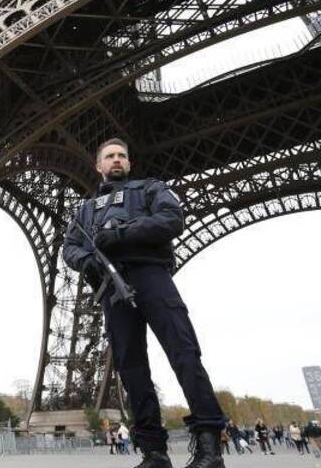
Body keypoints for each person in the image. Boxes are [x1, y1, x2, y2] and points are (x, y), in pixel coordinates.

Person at [62, 138, 226, 468]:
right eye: (110, 156)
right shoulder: (85, 210)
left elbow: (172, 220)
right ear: (99, 166)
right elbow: (70, 248)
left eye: (122, 155)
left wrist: (121, 233)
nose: (117, 160)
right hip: (112, 286)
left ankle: (210, 447)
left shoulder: (150, 189)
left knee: (184, 352)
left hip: (151, 275)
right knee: (131, 367)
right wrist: (87, 261)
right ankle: (153, 452)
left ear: (129, 163)